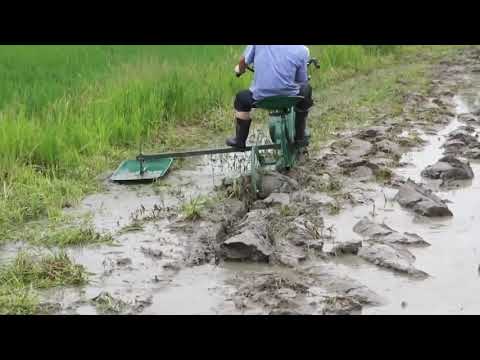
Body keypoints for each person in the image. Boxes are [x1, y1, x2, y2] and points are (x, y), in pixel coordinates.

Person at [226, 45, 314, 149]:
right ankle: (300, 136)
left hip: (261, 98)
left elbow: (243, 61)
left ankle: (240, 141)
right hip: (291, 97)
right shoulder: (302, 50)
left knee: (241, 98)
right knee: (306, 89)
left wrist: (239, 70)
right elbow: (301, 80)